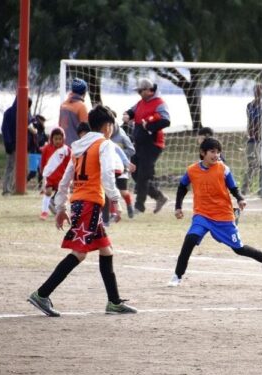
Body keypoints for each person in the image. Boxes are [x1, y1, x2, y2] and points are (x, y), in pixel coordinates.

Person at [27, 105, 138, 317]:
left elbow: (65, 180)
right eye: (112, 126)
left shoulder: (78, 146)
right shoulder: (104, 144)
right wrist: (115, 199)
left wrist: (61, 206)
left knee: (106, 250)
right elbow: (107, 174)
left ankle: (114, 302)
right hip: (90, 204)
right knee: (79, 253)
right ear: (107, 127)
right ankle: (42, 294)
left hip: (80, 202)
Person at [168, 137, 262, 287]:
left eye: (218, 152)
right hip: (202, 215)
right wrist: (178, 207)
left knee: (238, 249)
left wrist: (239, 199)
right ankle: (177, 276)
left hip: (223, 216)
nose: (216, 155)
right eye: (212, 151)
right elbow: (182, 187)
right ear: (202, 152)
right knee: (190, 240)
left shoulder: (223, 169)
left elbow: (233, 188)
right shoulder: (192, 170)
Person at [124, 78, 170, 214]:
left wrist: (149, 127)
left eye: (140, 90)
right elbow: (132, 111)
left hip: (153, 144)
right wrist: (127, 115)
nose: (138, 93)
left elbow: (166, 121)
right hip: (139, 144)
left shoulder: (160, 103)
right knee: (134, 172)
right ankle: (159, 197)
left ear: (149, 91)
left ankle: (139, 206)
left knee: (143, 175)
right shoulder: (140, 103)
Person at [1, 96, 33, 196]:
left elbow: (30, 126)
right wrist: (8, 143)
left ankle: (15, 188)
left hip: (23, 146)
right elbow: (5, 129)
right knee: (11, 166)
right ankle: (7, 189)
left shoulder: (26, 113)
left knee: (22, 168)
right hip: (13, 145)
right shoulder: (10, 113)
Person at [39, 127, 70, 220]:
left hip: (61, 177)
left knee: (61, 195)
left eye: (60, 139)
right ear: (52, 138)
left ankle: (60, 211)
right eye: (55, 139)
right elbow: (43, 161)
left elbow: (70, 163)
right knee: (48, 192)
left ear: (63, 139)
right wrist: (42, 172)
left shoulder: (67, 150)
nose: (58, 141)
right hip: (50, 176)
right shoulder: (46, 149)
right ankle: (44, 212)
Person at [58, 78, 90, 147]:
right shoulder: (82, 107)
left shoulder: (63, 105)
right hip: (75, 147)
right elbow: (86, 133)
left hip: (62, 146)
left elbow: (59, 126)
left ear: (72, 90)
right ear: (84, 93)